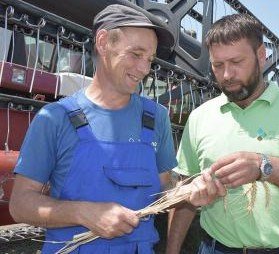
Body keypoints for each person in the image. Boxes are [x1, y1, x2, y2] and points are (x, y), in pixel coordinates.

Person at [9, 4, 178, 253]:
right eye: (136, 54)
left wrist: (189, 192)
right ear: (103, 42)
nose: (144, 69)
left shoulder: (156, 117)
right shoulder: (54, 118)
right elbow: (20, 204)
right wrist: (83, 212)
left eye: (150, 59)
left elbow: (165, 189)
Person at [166, 14, 279, 254]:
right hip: (214, 248)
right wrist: (171, 251)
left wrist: (264, 166)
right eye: (218, 65)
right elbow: (183, 193)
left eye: (236, 62)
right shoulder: (200, 117)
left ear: (260, 56)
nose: (226, 75)